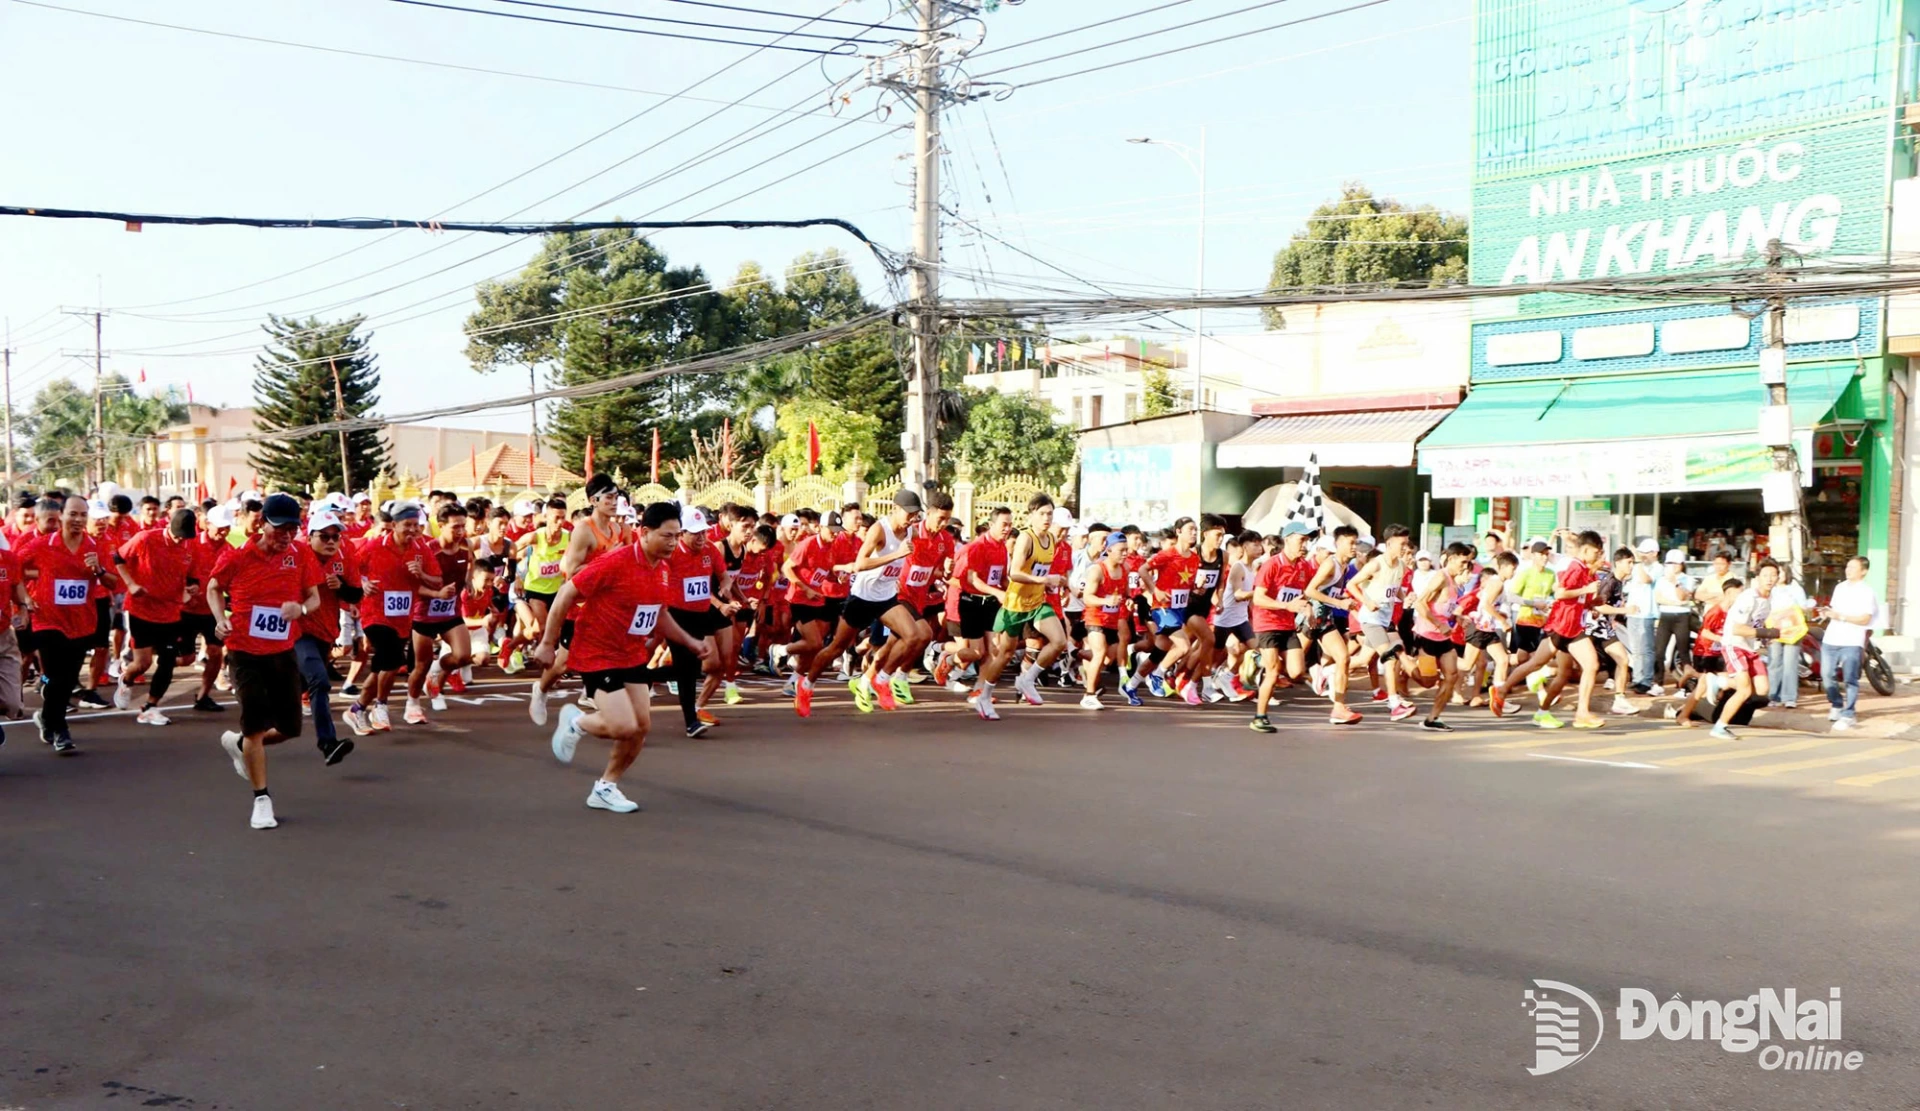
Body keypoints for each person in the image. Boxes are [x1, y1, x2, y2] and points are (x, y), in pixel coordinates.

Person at [538, 501, 711, 814]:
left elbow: (658, 614)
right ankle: (576, 722)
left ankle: (605, 787)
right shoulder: (615, 561)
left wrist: (690, 641)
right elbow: (566, 593)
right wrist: (548, 642)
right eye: (667, 536)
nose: (673, 543)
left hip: (631, 654)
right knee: (623, 727)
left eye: (676, 536)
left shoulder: (662, 569)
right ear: (644, 533)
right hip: (597, 652)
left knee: (641, 727)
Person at [205, 494, 326, 830]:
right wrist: (219, 618)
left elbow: (314, 596)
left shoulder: (300, 554)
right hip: (244, 652)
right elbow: (214, 587)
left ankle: (240, 744)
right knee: (255, 724)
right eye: (281, 528)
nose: (287, 535)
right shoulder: (239, 555)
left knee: (290, 728)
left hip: (282, 651)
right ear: (263, 524)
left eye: (293, 528)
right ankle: (262, 799)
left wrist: (299, 610)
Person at [18, 495, 115, 753]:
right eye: (73, 514)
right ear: (61, 515)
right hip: (47, 620)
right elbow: (13, 566)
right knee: (59, 676)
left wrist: (99, 571)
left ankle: (47, 718)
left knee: (67, 678)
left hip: (82, 622)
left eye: (83, 515)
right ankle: (61, 729)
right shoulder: (42, 545)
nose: (78, 519)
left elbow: (114, 584)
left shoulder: (97, 546)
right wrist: (26, 597)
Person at [344, 501, 441, 735]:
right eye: (407, 525)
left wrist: (421, 573)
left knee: (381, 667)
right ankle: (381, 706)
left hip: (402, 617)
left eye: (416, 525)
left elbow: (437, 581)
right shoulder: (374, 546)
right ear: (394, 525)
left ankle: (357, 709)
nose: (412, 530)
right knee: (391, 656)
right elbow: (351, 570)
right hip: (374, 612)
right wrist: (364, 584)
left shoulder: (421, 549)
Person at [975, 494, 1072, 717]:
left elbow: (1041, 571)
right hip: (1015, 604)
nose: (1046, 518)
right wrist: (1044, 580)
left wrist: (1052, 583)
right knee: (1005, 655)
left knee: (1059, 641)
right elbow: (1015, 573)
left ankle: (1026, 679)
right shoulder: (1026, 539)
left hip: (1038, 602)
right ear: (1031, 515)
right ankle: (984, 697)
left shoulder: (1052, 540)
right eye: (1042, 514)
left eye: (1049, 514)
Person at [111, 508, 197, 725]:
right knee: (143, 663)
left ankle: (150, 706)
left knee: (168, 661)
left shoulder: (189, 547)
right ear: (168, 526)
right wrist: (131, 584)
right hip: (142, 609)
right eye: (177, 535)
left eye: (184, 537)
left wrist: (192, 588)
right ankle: (126, 678)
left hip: (171, 612)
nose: (180, 540)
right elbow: (118, 557)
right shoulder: (146, 539)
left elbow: (192, 577)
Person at [297, 510, 361, 766]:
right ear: (310, 537)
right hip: (298, 631)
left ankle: (244, 739)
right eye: (324, 536)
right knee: (320, 682)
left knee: (296, 693)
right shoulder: (296, 556)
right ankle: (328, 743)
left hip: (325, 632)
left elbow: (355, 595)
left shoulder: (345, 558)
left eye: (336, 536)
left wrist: (341, 587)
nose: (331, 541)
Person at [1247, 522, 1316, 733]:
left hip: (1287, 624)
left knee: (1296, 672)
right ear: (1287, 539)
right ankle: (1260, 717)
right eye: (1301, 539)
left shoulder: (1304, 567)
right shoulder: (1272, 565)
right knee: (1273, 671)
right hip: (1266, 623)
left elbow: (1306, 594)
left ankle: (1257, 658)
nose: (1305, 544)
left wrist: (1309, 609)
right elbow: (1258, 598)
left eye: (1307, 540)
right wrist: (1287, 605)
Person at [1710, 559, 1781, 740]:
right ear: (1757, 578)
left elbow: (1757, 624)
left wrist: (1766, 639)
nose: (1769, 579)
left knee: (1763, 689)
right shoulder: (1748, 598)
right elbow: (1737, 628)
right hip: (1734, 644)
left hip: (1749, 646)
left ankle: (1720, 681)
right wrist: (1768, 633)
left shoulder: (1769, 598)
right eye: (1765, 575)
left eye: (1773, 575)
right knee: (1744, 691)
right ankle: (1720, 727)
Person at [1819, 556, 1884, 732]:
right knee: (1826, 675)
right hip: (1831, 638)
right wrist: (1827, 613)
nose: (1848, 570)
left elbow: (1866, 618)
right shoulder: (1839, 588)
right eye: (1847, 566)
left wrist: (1841, 617)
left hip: (1852, 640)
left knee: (1850, 678)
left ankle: (1849, 714)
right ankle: (1837, 704)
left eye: (1853, 567)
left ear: (1863, 571)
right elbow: (1834, 610)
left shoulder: (1867, 592)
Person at [1650, 549, 1695, 694]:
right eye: (1670, 563)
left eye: (1676, 563)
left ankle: (1687, 685)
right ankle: (1658, 682)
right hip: (1666, 615)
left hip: (1682, 617)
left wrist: (1676, 583)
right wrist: (1674, 603)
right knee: (1659, 650)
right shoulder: (1661, 580)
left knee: (1683, 651)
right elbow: (1658, 598)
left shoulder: (1687, 579)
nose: (1673, 566)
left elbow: (1682, 597)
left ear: (1682, 564)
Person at [1764, 565, 1809, 710]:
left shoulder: (1795, 588)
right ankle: (1773, 696)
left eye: (1781, 572)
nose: (1778, 575)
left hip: (1792, 631)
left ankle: (1789, 697)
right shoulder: (1770, 590)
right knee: (1774, 662)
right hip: (1774, 631)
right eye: (1777, 573)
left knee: (1790, 663)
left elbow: (1803, 606)